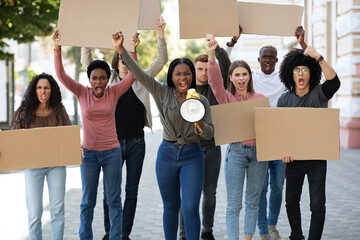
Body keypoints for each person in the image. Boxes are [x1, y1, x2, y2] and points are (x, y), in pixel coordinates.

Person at [112, 31, 214, 240]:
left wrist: (201, 124)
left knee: (190, 207)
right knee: (170, 207)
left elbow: (211, 133)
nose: (183, 78)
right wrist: (121, 49)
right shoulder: (161, 92)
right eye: (178, 74)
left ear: (192, 76)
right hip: (167, 155)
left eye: (187, 73)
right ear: (172, 77)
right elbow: (138, 73)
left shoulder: (200, 101)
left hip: (192, 155)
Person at [81, 17, 168, 240]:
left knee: (131, 192)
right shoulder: (106, 83)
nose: (124, 61)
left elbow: (162, 59)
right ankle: (110, 231)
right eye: (121, 58)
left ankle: (123, 234)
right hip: (112, 145)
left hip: (137, 143)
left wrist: (160, 34)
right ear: (115, 61)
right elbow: (86, 61)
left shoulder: (141, 79)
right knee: (110, 193)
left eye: (127, 58)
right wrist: (86, 37)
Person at [52, 30, 136, 240]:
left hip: (111, 154)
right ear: (89, 80)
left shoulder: (114, 92)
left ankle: (115, 237)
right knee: (87, 201)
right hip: (88, 154)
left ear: (108, 79)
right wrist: (57, 48)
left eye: (102, 78)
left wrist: (127, 50)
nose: (98, 82)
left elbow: (133, 74)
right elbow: (61, 75)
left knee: (114, 200)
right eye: (94, 78)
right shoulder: (81, 92)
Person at [206, 37, 268, 240]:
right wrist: (212, 53)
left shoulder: (260, 99)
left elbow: (268, 129)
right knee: (234, 203)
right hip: (236, 153)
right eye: (237, 75)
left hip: (260, 154)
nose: (241, 78)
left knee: (253, 201)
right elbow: (214, 80)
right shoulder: (226, 98)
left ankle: (248, 238)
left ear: (249, 77)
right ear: (230, 78)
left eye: (244, 74)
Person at [278, 45, 340, 240]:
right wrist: (283, 150)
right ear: (291, 74)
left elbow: (335, 82)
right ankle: (296, 236)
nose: (301, 73)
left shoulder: (319, 93)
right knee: (290, 202)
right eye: (296, 70)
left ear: (311, 72)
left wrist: (319, 57)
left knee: (317, 205)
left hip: (317, 158)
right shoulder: (284, 100)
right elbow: (280, 131)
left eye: (305, 69)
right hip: (293, 159)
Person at [11, 73, 71, 240]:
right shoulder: (24, 111)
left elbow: (68, 135)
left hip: (56, 165)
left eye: (46, 87)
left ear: (52, 90)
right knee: (35, 213)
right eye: (39, 88)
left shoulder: (59, 110)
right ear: (34, 90)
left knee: (57, 210)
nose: (43, 91)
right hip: (33, 166)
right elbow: (14, 139)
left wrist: (75, 148)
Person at [178, 54, 223, 240]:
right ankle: (183, 234)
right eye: (200, 69)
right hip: (191, 148)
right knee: (188, 196)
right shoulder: (185, 90)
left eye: (207, 69)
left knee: (210, 193)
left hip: (212, 147)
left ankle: (207, 231)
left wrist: (216, 51)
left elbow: (226, 66)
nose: (204, 73)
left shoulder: (216, 89)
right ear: (194, 70)